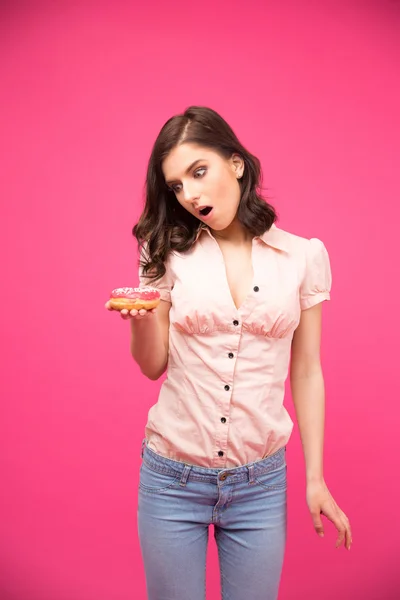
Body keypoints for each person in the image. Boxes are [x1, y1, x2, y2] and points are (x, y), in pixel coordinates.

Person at [106, 106, 352, 600]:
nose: (190, 194)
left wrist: (316, 478)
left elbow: (306, 372)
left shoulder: (303, 258)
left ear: (235, 163)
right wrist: (138, 322)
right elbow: (153, 365)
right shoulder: (165, 250)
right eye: (176, 185)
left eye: (199, 172)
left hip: (260, 486)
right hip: (172, 479)